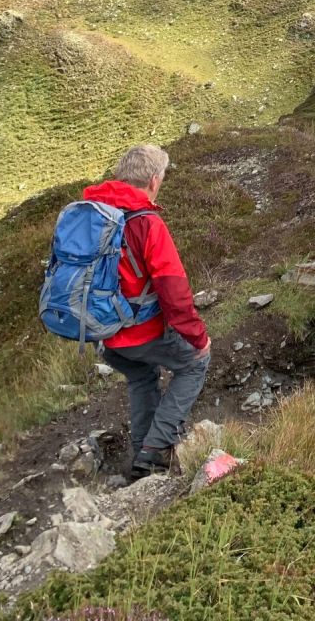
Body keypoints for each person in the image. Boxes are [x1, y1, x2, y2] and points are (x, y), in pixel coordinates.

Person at [86, 144, 211, 480]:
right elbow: (173, 290)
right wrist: (198, 338)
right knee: (195, 363)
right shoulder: (146, 223)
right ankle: (155, 451)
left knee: (141, 376)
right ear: (154, 180)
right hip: (138, 332)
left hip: (101, 334)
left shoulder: (92, 214)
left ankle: (142, 460)